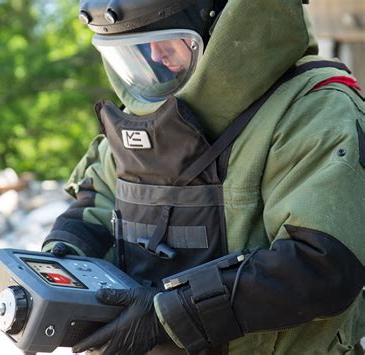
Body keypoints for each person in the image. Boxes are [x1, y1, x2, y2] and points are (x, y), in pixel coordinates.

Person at [42, 0, 365, 354]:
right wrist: (58, 261)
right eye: (134, 49)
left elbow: (322, 266)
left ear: (224, 25)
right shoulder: (147, 112)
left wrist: (165, 316)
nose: (154, 56)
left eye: (168, 41)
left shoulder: (313, 108)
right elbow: (99, 200)